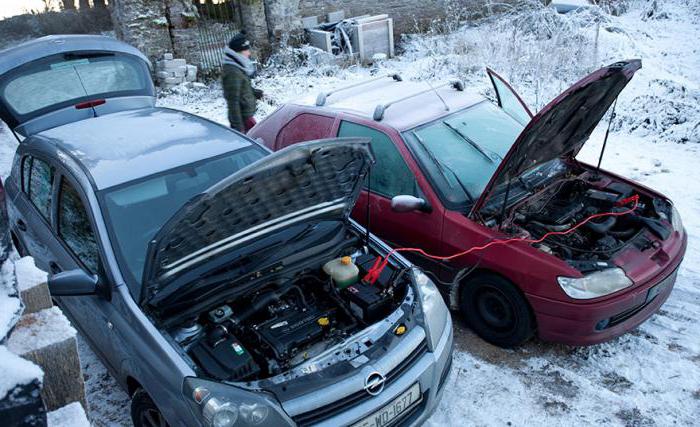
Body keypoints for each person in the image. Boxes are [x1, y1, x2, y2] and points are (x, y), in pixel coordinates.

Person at [222, 32, 263, 132]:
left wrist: (258, 94)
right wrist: (239, 129)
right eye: (246, 50)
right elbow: (233, 102)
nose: (249, 53)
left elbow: (243, 88)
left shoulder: (238, 66)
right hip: (242, 121)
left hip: (247, 118)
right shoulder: (232, 72)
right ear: (239, 51)